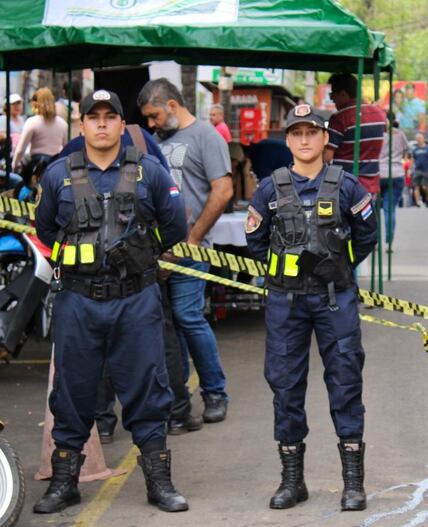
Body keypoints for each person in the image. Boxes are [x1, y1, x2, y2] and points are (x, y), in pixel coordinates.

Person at [33, 90, 189, 514]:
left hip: (135, 298)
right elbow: (45, 230)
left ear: (123, 125)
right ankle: (65, 484)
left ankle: (160, 484)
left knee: (146, 388)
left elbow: (174, 226)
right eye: (93, 117)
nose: (102, 124)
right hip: (78, 301)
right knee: (72, 391)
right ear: (82, 125)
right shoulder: (57, 175)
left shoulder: (151, 173)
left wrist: (136, 254)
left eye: (110, 117)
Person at [246, 104, 377, 511]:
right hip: (286, 301)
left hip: (334, 300)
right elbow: (255, 241)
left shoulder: (348, 186)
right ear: (288, 140)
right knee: (285, 385)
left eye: (312, 133)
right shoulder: (270, 188)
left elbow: (367, 235)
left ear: (325, 139)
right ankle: (291, 480)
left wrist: (336, 268)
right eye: (297, 133)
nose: (304, 140)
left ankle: (353, 483)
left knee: (345, 383)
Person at [138, 78, 233, 423]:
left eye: (154, 116)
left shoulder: (206, 136)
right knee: (170, 327)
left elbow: (222, 191)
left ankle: (215, 392)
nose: (151, 124)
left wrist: (192, 240)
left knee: (188, 318)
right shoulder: (154, 141)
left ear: (173, 106)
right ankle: (180, 399)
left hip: (192, 250)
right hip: (155, 251)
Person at [324, 72, 387, 196]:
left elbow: (326, 157)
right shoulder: (380, 114)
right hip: (370, 187)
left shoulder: (340, 118)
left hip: (346, 187)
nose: (333, 101)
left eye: (332, 96)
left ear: (343, 94)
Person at [12, 87, 67, 170]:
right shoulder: (63, 123)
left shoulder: (32, 122)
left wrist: (14, 165)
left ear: (36, 104)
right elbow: (65, 148)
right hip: (56, 165)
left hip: (37, 165)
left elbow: (20, 150)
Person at [378, 118, 409, 244]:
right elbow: (405, 151)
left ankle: (374, 240)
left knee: (373, 209)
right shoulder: (400, 134)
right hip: (396, 173)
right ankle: (389, 239)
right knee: (389, 209)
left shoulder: (377, 134)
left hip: (378, 173)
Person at [1, 93, 26, 158]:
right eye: (13, 104)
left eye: (19, 103)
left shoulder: (22, 120)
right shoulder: (3, 119)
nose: (17, 106)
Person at [411, 132, 428, 207]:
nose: (419, 140)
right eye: (417, 139)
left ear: (423, 139)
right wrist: (410, 169)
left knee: (424, 186)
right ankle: (418, 202)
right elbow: (412, 160)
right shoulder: (415, 149)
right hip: (417, 170)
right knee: (416, 186)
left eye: (420, 138)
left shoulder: (427, 148)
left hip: (425, 170)